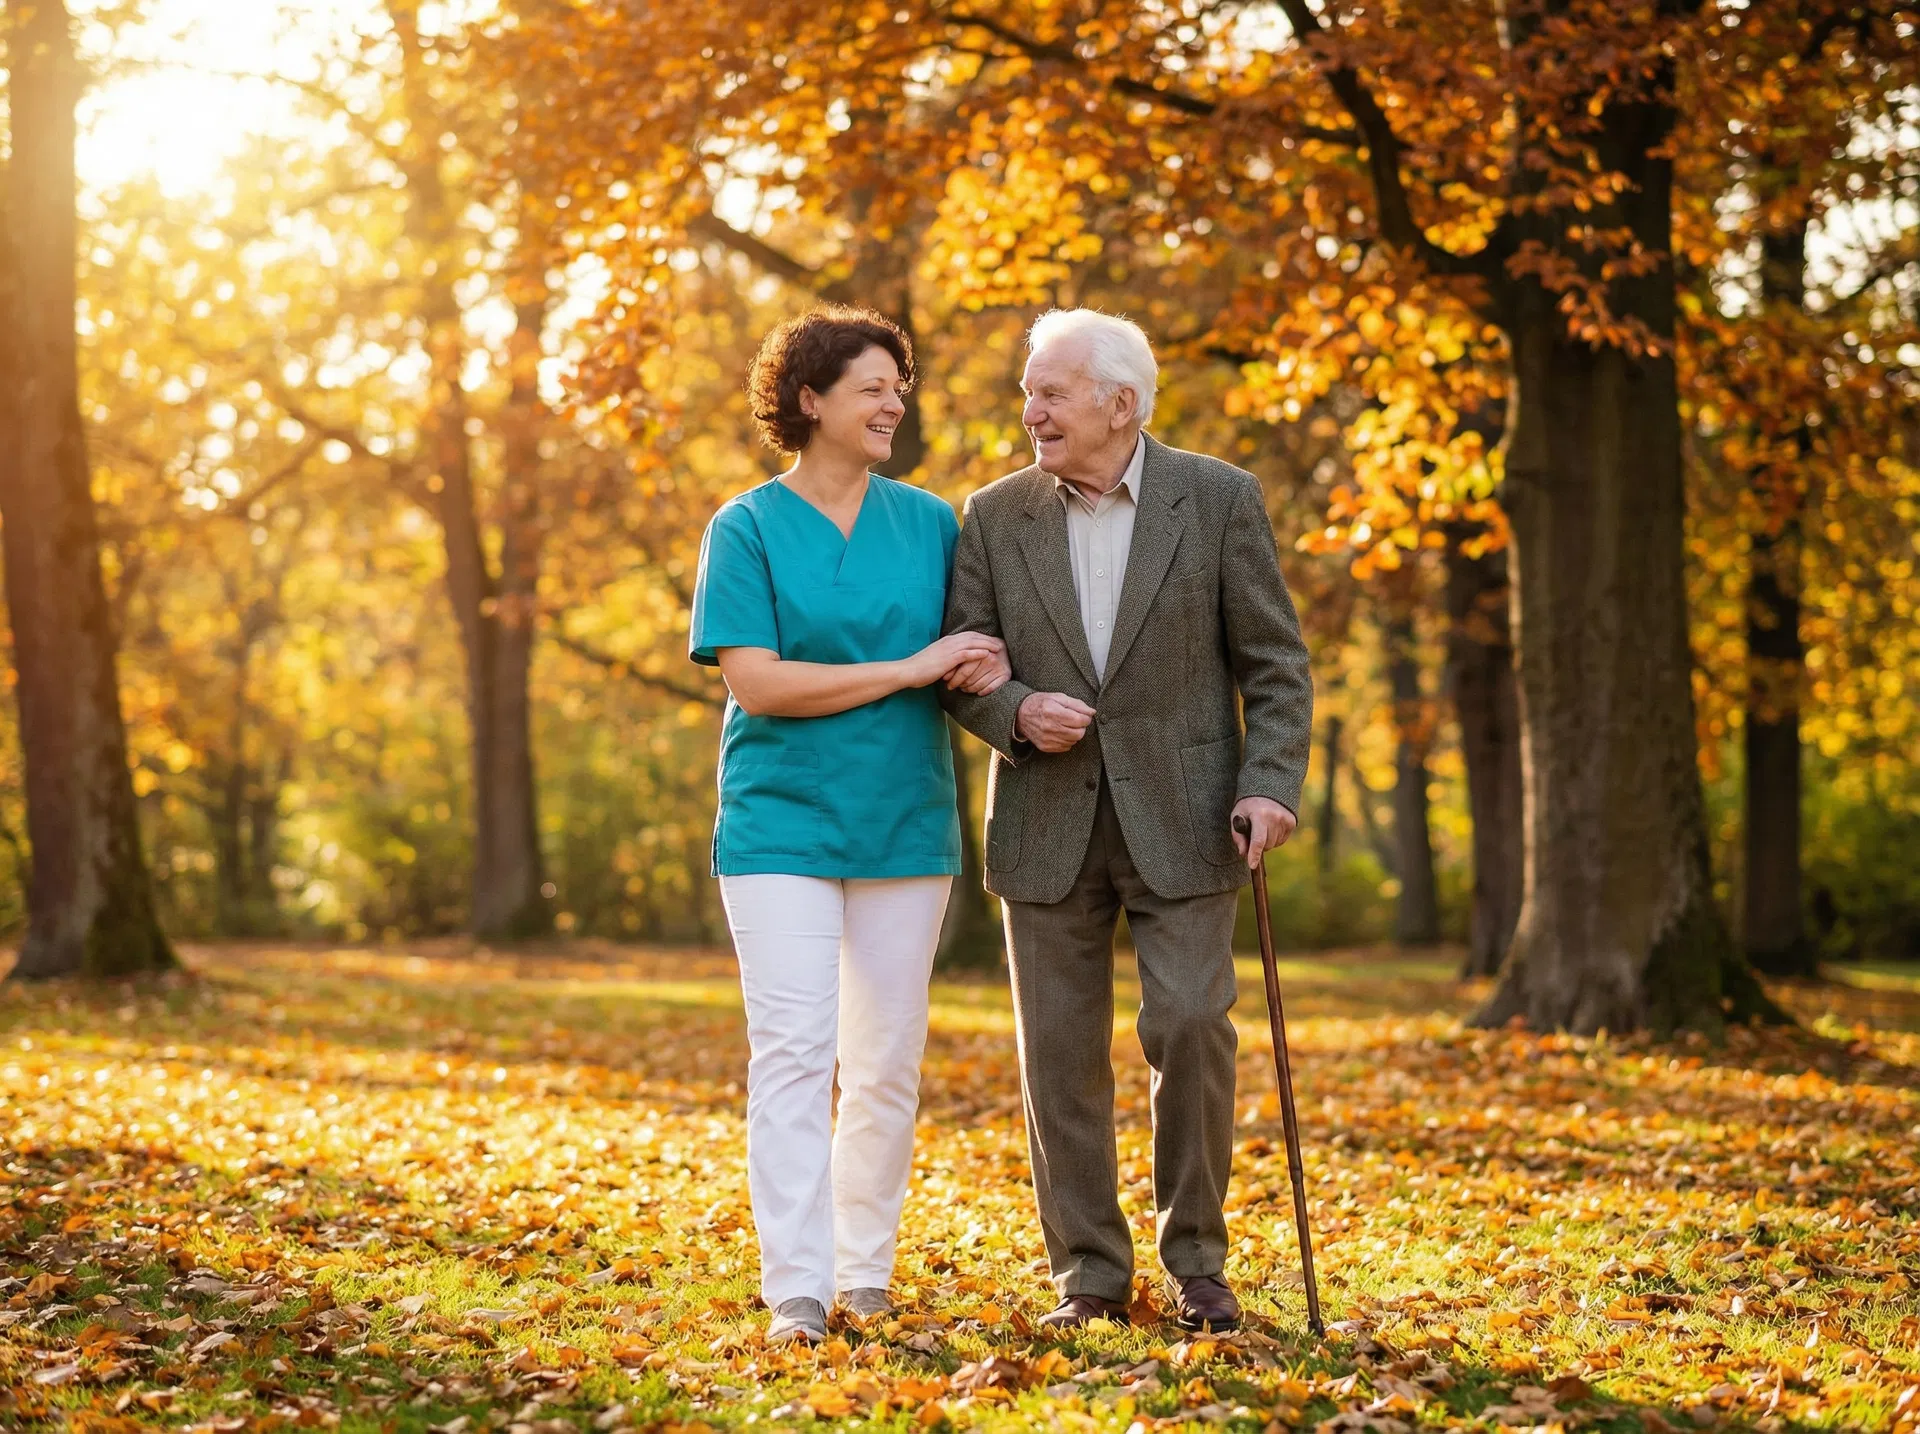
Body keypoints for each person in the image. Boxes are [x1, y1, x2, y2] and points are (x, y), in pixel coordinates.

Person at [942, 308, 1314, 1332]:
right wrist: (1014, 709)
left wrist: (1271, 783)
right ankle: (1090, 1280)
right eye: (1028, 391)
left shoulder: (1220, 498)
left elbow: (1276, 665)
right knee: (1059, 1059)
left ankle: (1197, 1264)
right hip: (1043, 821)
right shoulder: (992, 514)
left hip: (1192, 818)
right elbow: (961, 662)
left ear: (1122, 402)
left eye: (1051, 391)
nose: (1031, 411)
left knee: (1191, 1027)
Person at [689, 305, 1010, 1345]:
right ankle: (796, 1286)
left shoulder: (930, 525)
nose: (894, 403)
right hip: (779, 827)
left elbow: (977, 651)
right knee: (793, 1049)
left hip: (904, 825)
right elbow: (762, 684)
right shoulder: (743, 528)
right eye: (873, 386)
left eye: (898, 387)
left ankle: (864, 1269)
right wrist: (910, 667)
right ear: (810, 400)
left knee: (884, 1057)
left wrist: (989, 674)